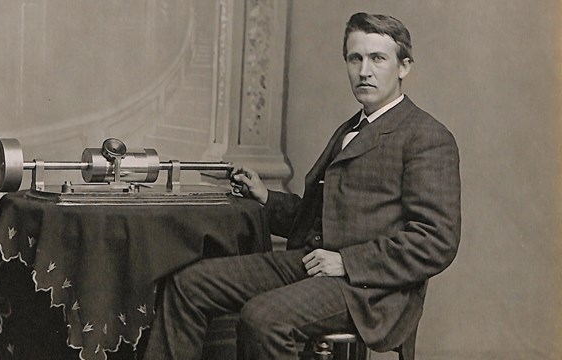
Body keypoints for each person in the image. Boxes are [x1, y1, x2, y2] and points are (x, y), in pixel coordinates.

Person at [143, 12, 460, 360]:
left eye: (377, 58)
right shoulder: (350, 129)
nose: (364, 70)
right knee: (188, 285)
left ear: (404, 67)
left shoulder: (426, 136)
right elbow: (323, 217)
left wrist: (347, 262)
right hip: (313, 263)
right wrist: (265, 197)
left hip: (371, 291)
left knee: (263, 319)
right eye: (355, 58)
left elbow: (436, 241)